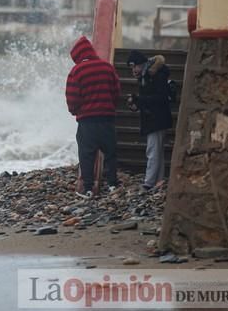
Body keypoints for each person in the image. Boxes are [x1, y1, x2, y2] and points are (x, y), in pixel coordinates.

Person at [66, 36, 121, 198]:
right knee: (110, 153)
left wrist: (75, 111)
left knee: (86, 154)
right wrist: (110, 106)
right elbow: (116, 91)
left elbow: (72, 98)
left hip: (87, 121)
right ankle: (112, 185)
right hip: (107, 119)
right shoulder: (107, 67)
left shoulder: (76, 71)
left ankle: (88, 189)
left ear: (77, 55)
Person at [126, 50, 173, 190]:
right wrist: (137, 104)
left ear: (141, 64)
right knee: (157, 151)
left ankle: (149, 182)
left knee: (152, 150)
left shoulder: (154, 76)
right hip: (156, 117)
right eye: (131, 68)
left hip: (156, 118)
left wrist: (139, 100)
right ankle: (158, 180)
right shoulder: (147, 75)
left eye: (134, 66)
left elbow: (160, 98)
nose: (133, 70)